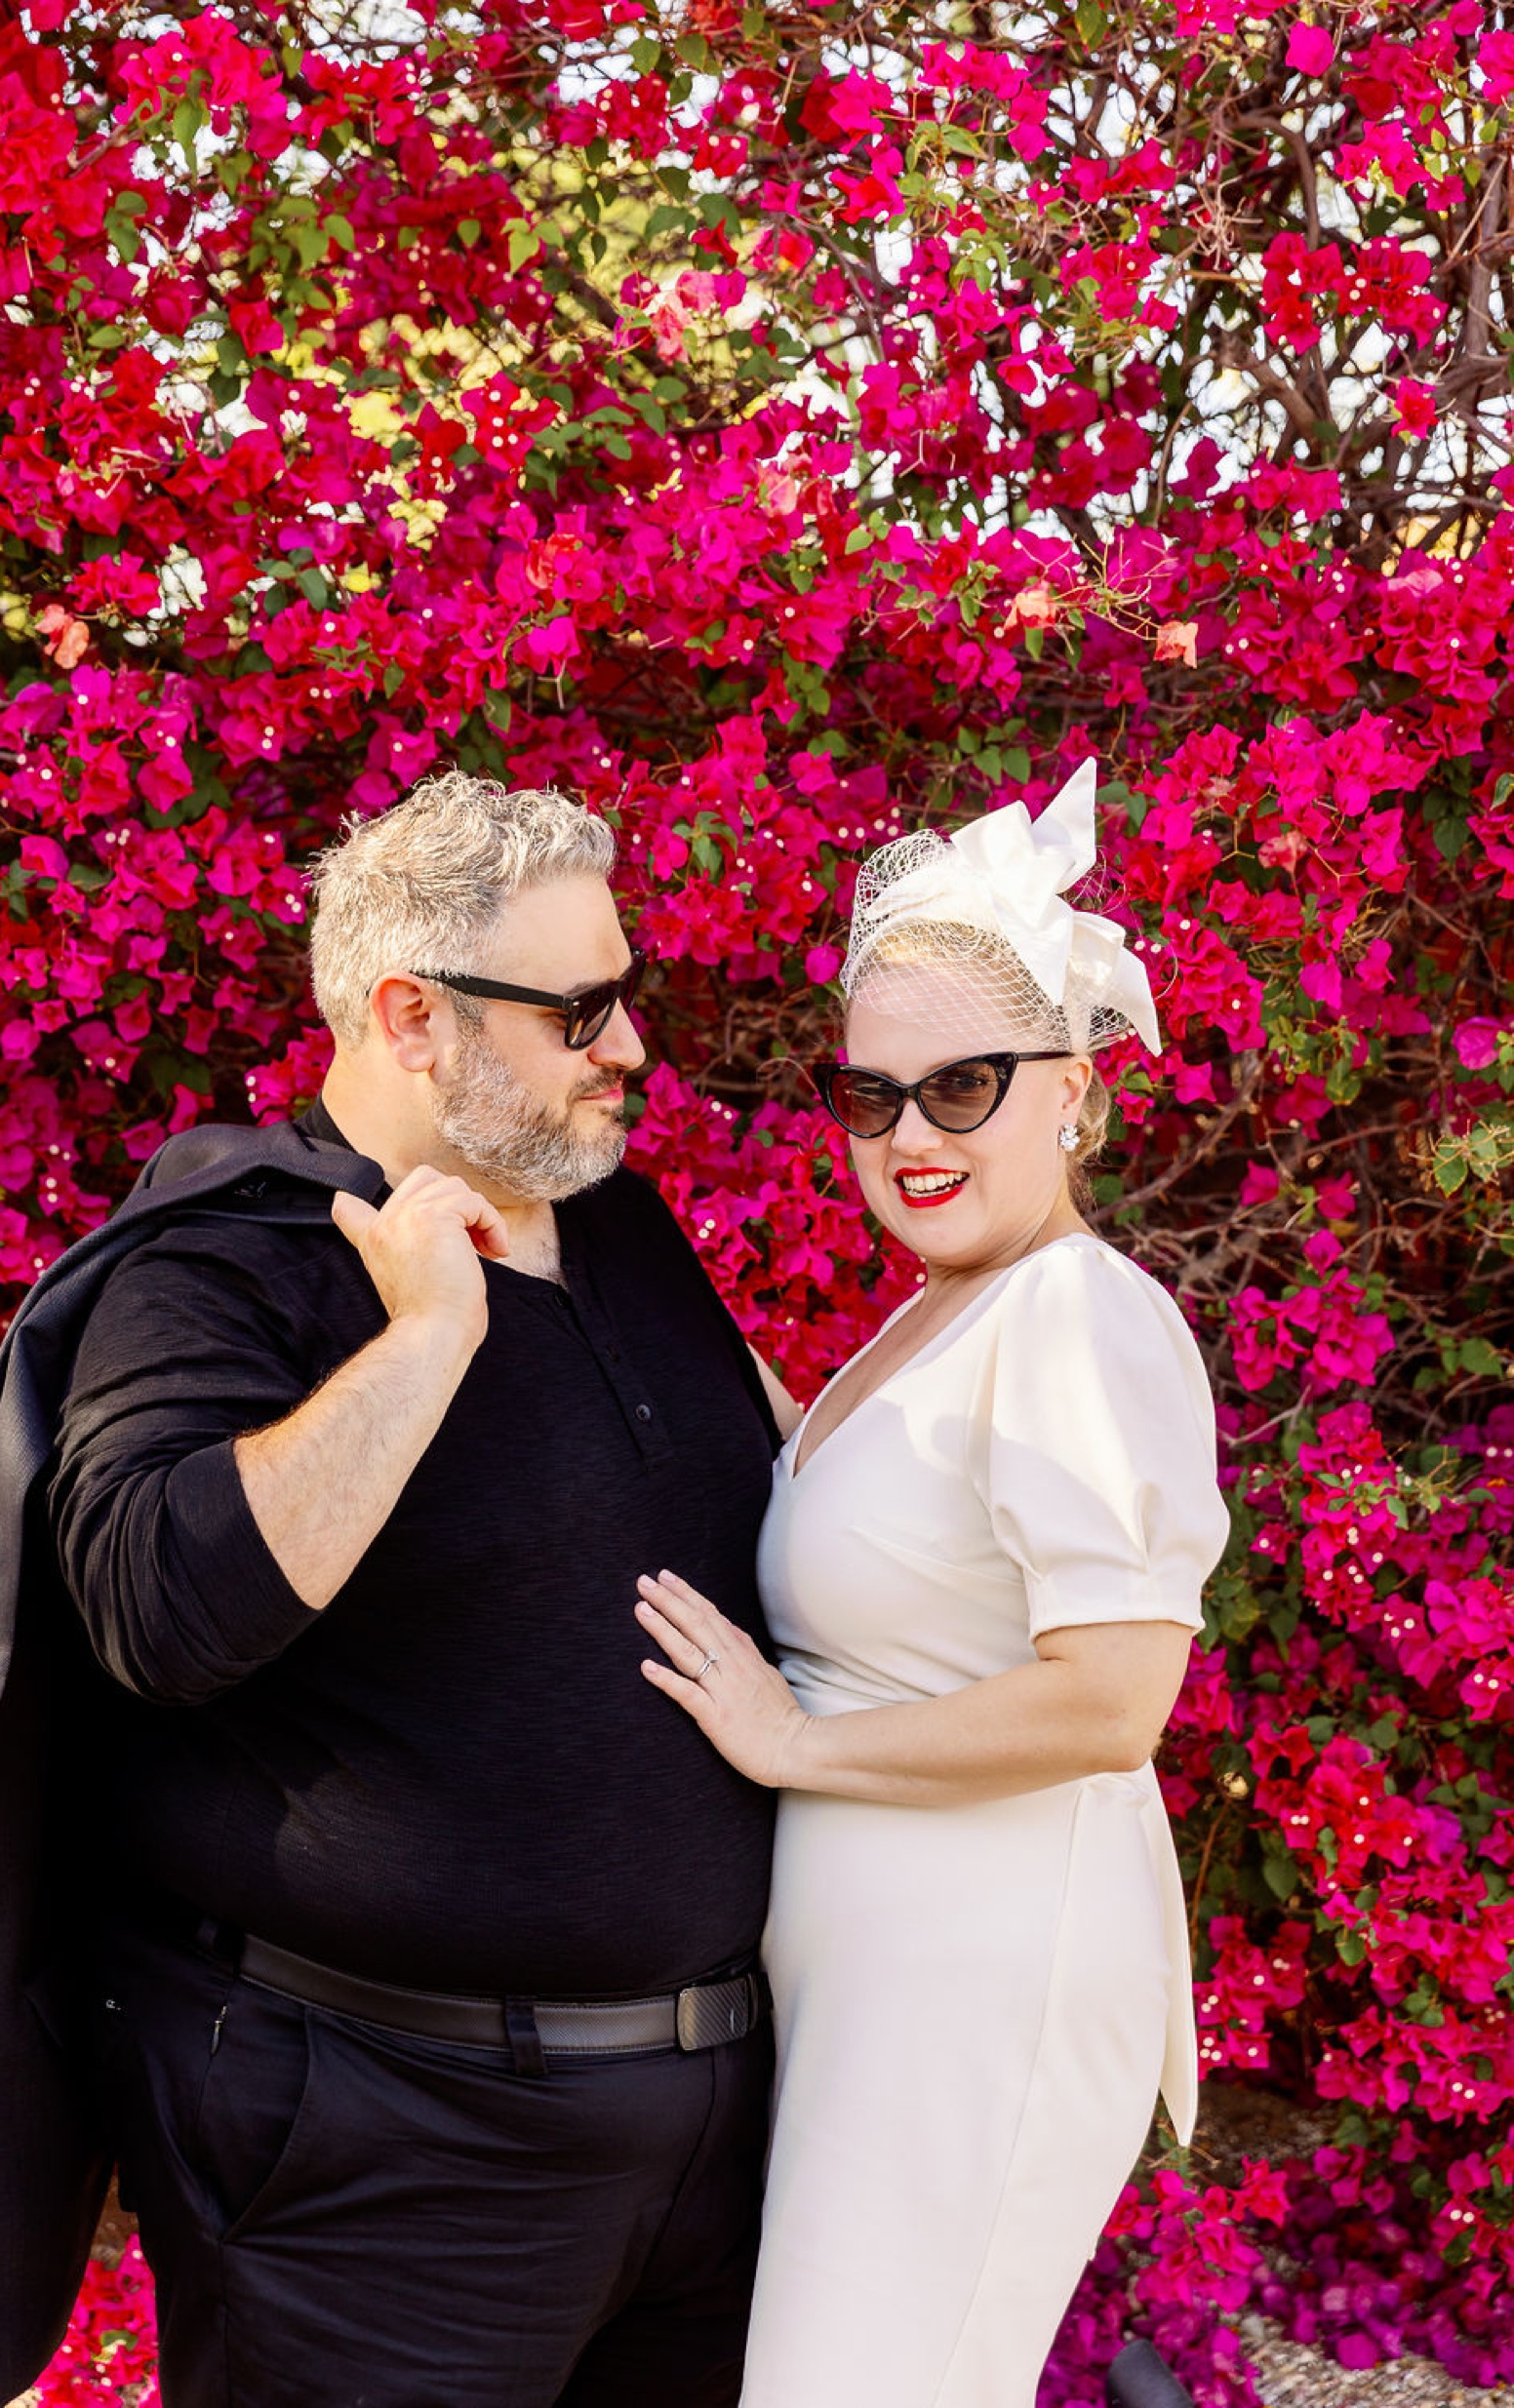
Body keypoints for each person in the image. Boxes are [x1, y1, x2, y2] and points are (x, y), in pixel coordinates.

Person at [0, 773, 795, 2408]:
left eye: (627, 993)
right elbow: (154, 1612)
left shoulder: (619, 1228)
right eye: (581, 1007)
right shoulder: (225, 1262)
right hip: (385, 2165)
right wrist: (429, 1341)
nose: (633, 1047)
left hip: (704, 2144)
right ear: (413, 1018)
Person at [633, 760, 1231, 2408]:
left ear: (1077, 1093)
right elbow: (840, 1495)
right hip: (891, 1989)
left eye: (964, 1086)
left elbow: (1116, 1697)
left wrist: (795, 1746)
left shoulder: (1077, 1313)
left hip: (988, 1976)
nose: (911, 1134)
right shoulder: (935, 1320)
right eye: (871, 1096)